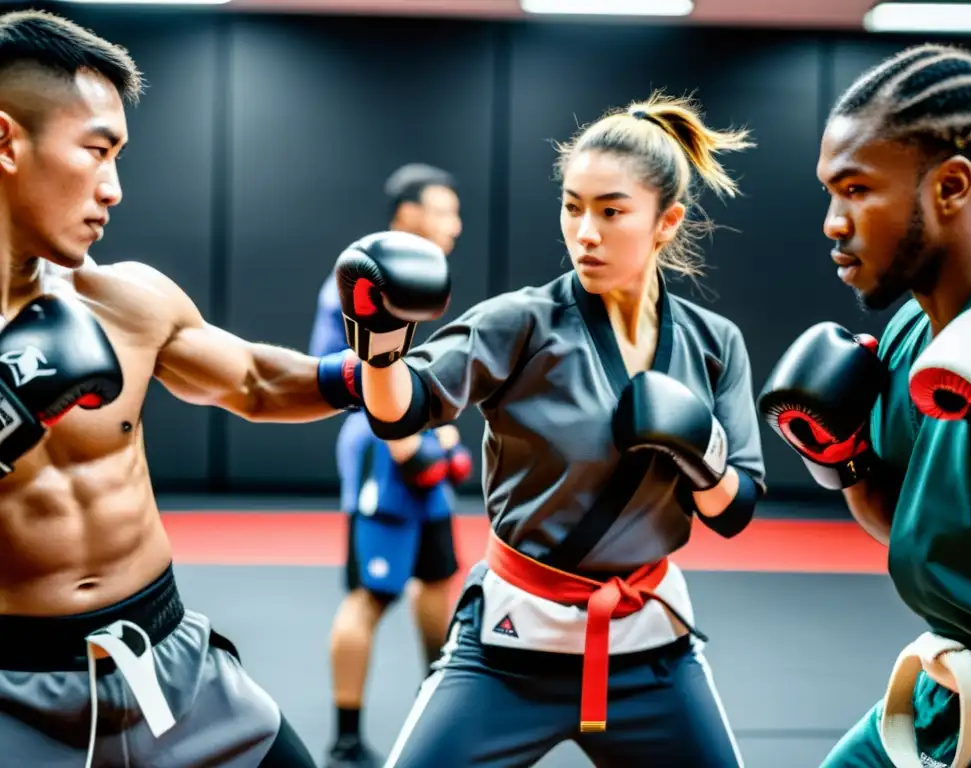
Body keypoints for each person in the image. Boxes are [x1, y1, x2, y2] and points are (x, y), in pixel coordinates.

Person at [332, 91, 765, 766]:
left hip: (650, 651)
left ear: (667, 220)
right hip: (510, 647)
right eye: (572, 206)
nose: (584, 231)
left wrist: (698, 448)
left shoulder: (714, 344)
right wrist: (380, 343)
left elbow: (734, 509)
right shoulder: (522, 322)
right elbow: (401, 408)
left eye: (611, 210)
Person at [0, 10, 369, 767]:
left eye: (120, 156)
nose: (115, 189)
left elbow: (260, 383)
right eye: (96, 151)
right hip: (12, 695)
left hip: (171, 667)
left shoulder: (125, 300)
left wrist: (393, 369)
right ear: (6, 141)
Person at [758, 43, 971, 768]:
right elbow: (901, 520)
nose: (831, 222)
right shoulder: (910, 328)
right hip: (947, 686)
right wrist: (842, 463)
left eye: (856, 189)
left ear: (950, 186)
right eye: (828, 192)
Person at [308, 164, 469, 768]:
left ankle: (440, 703)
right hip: (381, 448)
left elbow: (427, 370)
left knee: (437, 578)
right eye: (444, 210)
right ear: (408, 215)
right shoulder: (365, 275)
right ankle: (346, 739)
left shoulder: (427, 279)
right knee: (373, 594)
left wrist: (442, 434)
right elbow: (350, 368)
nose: (455, 225)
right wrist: (408, 445)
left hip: (415, 435)